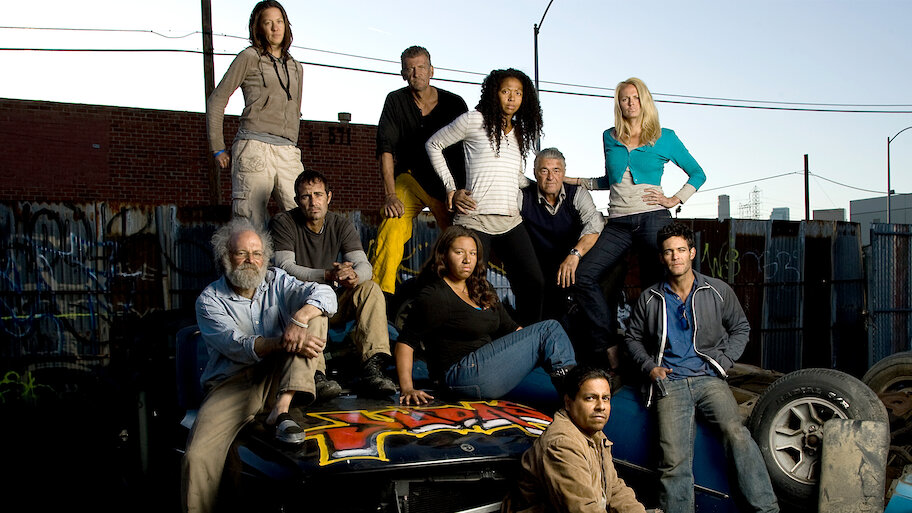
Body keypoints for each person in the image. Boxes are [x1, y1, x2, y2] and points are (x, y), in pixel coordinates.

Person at [183, 218, 337, 513]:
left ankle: (283, 407)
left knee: (316, 313)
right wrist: (287, 340)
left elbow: (326, 294)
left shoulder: (277, 280)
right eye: (241, 253)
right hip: (234, 383)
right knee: (197, 457)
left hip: (283, 378)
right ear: (226, 258)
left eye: (256, 254)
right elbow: (239, 345)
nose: (250, 260)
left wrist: (300, 318)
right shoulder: (209, 301)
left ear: (265, 258)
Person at [624, 222, 778, 513]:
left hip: (709, 379)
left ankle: (766, 509)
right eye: (669, 252)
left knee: (737, 434)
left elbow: (740, 327)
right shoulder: (650, 298)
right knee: (673, 460)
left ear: (692, 253)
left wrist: (722, 363)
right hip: (670, 382)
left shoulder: (716, 290)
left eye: (681, 250)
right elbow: (632, 338)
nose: (675, 256)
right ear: (661, 257)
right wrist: (650, 368)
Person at [569, 77, 706, 370]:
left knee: (657, 284)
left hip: (653, 217)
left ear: (645, 101)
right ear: (618, 104)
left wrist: (674, 199)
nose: (630, 103)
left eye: (635, 98)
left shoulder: (664, 136)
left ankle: (660, 354)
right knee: (584, 276)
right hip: (618, 223)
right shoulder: (609, 136)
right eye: (624, 99)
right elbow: (610, 180)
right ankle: (608, 345)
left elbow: (698, 174)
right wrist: (575, 181)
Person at [395, 225, 576, 405]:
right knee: (549, 328)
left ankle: (575, 392)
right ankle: (574, 397)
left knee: (548, 347)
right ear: (443, 255)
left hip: (487, 370)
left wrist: (540, 347)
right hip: (460, 375)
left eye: (473, 253)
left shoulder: (482, 289)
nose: (467, 260)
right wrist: (407, 388)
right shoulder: (435, 295)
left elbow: (512, 329)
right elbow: (406, 342)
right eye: (459, 252)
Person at [426, 68, 545, 327]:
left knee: (533, 281)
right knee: (474, 286)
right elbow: (433, 144)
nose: (512, 98)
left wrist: (546, 185)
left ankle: (528, 337)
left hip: (510, 221)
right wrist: (451, 188)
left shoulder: (519, 132)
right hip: (475, 219)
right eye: (506, 91)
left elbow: (516, 177)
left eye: (518, 93)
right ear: (494, 93)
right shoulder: (473, 120)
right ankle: (482, 338)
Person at [271, 169, 398, 397]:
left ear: (329, 197)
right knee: (315, 301)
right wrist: (327, 275)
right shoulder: (284, 222)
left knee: (370, 289)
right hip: (298, 304)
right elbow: (284, 267)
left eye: (318, 195)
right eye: (306, 196)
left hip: (335, 301)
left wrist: (353, 276)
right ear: (297, 200)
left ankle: (372, 369)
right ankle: (316, 374)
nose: (313, 202)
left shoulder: (340, 224)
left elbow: (364, 266)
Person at [371, 45, 468, 298]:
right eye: (410, 68)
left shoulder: (454, 103)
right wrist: (390, 196)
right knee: (392, 224)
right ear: (403, 73)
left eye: (421, 67)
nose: (416, 73)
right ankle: (380, 296)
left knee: (459, 240)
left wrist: (461, 190)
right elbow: (385, 150)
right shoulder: (395, 101)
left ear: (431, 70)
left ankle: (461, 296)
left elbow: (469, 149)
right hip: (410, 179)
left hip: (446, 186)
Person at [206, 0, 304, 230]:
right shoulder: (249, 57)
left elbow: (295, 108)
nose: (275, 28)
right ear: (258, 28)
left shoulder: (296, 67)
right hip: (254, 146)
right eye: (268, 23)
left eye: (279, 22)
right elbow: (217, 99)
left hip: (287, 151)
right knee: (250, 224)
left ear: (286, 25)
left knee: (305, 219)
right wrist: (217, 147)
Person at [506, 366, 649, 513]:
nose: (601, 406)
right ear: (568, 403)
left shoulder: (595, 435)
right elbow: (583, 509)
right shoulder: (561, 444)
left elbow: (614, 489)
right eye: (590, 398)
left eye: (605, 398)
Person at [520, 147, 604, 321]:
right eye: (544, 171)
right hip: (541, 268)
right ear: (535, 173)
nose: (551, 177)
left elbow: (595, 224)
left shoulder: (577, 193)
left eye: (556, 170)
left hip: (574, 263)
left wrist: (575, 255)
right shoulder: (523, 197)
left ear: (564, 173)